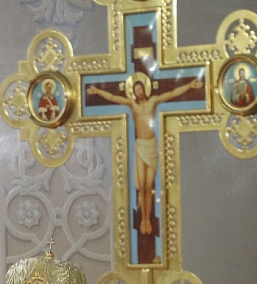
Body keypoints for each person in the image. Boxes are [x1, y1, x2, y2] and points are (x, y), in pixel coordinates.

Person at [87, 74, 203, 249]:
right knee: (141, 186)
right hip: (140, 146)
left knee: (149, 185)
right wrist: (97, 91)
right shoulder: (132, 104)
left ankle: (149, 218)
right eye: (136, 90)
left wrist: (190, 86)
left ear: (145, 90)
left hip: (152, 146)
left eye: (140, 88)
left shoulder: (153, 101)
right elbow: (113, 97)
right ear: (133, 93)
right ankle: (144, 220)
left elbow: (171, 94)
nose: (138, 92)